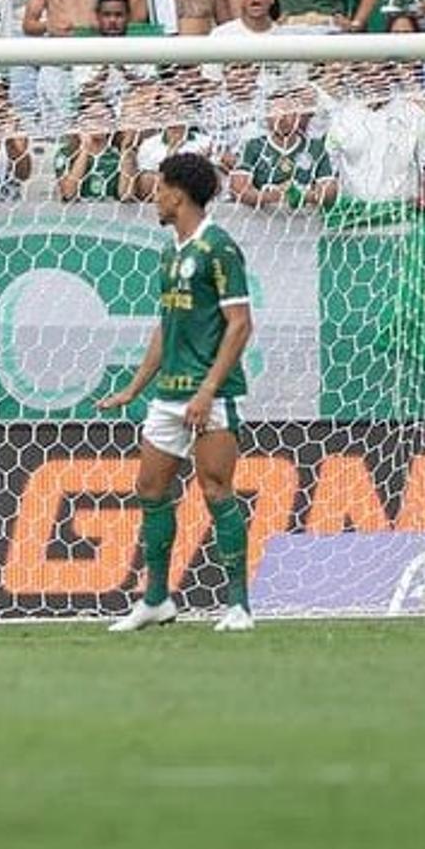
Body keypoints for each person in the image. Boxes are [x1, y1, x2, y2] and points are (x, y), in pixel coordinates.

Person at [95, 152, 257, 634]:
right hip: (169, 394)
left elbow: (241, 324)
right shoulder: (171, 250)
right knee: (150, 489)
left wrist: (207, 390)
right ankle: (156, 599)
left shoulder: (219, 248)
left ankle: (239, 606)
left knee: (215, 490)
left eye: (160, 187)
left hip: (213, 393)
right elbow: (166, 327)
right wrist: (133, 387)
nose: (154, 195)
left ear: (178, 194)